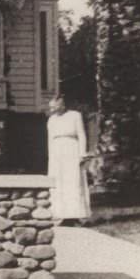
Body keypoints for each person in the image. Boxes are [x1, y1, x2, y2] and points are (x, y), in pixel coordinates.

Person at [47, 94, 91, 223]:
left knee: (73, 181)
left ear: (62, 105)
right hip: (57, 152)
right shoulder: (51, 120)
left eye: (54, 107)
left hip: (71, 150)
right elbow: (50, 139)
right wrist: (51, 157)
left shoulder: (75, 115)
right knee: (59, 182)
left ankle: (75, 215)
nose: (52, 110)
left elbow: (81, 134)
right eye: (50, 107)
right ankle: (62, 214)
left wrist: (82, 153)